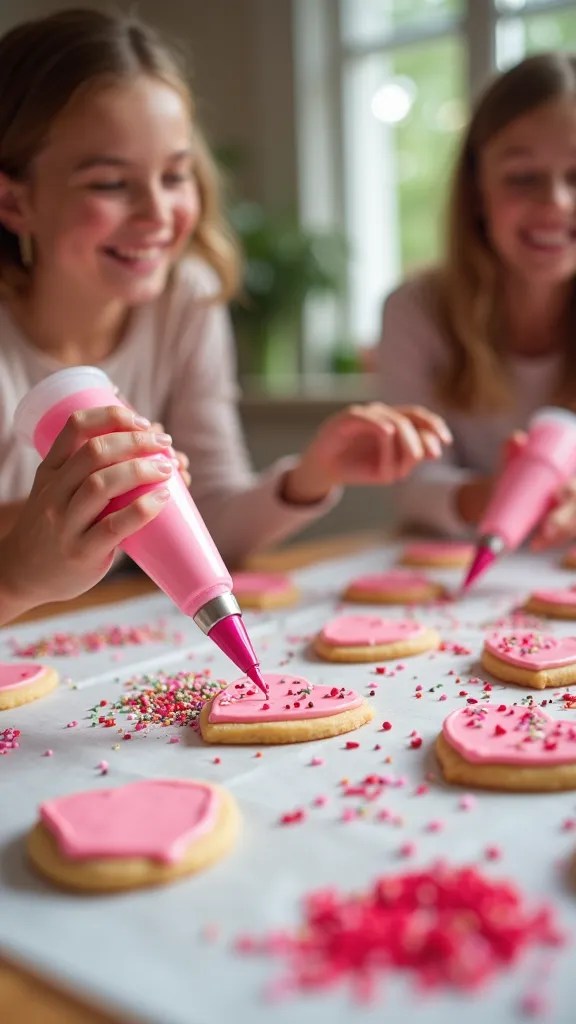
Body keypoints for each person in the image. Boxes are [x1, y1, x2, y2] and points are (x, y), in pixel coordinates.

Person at [0, 8, 450, 625]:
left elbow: (209, 522)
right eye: (109, 183)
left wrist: (312, 474)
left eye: (175, 174)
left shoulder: (186, 298)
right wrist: (27, 557)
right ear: (14, 201)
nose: (158, 213)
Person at [378, 52, 576, 548]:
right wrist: (497, 495)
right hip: (456, 566)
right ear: (477, 189)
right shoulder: (415, 311)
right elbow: (411, 483)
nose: (555, 201)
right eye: (523, 177)